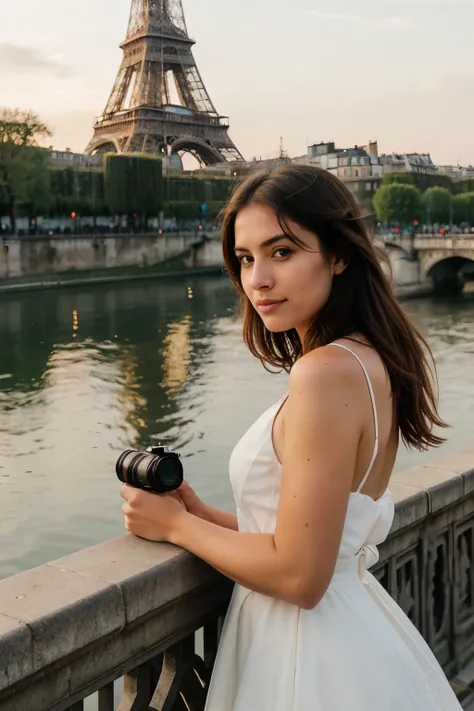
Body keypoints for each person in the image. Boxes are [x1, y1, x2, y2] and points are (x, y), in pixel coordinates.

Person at [120, 165, 462, 710]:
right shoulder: (369, 359)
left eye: (281, 252)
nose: (257, 279)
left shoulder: (324, 372)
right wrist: (205, 516)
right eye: (246, 258)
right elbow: (311, 534)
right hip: (350, 639)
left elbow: (302, 575)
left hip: (302, 651)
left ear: (339, 254)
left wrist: (178, 526)